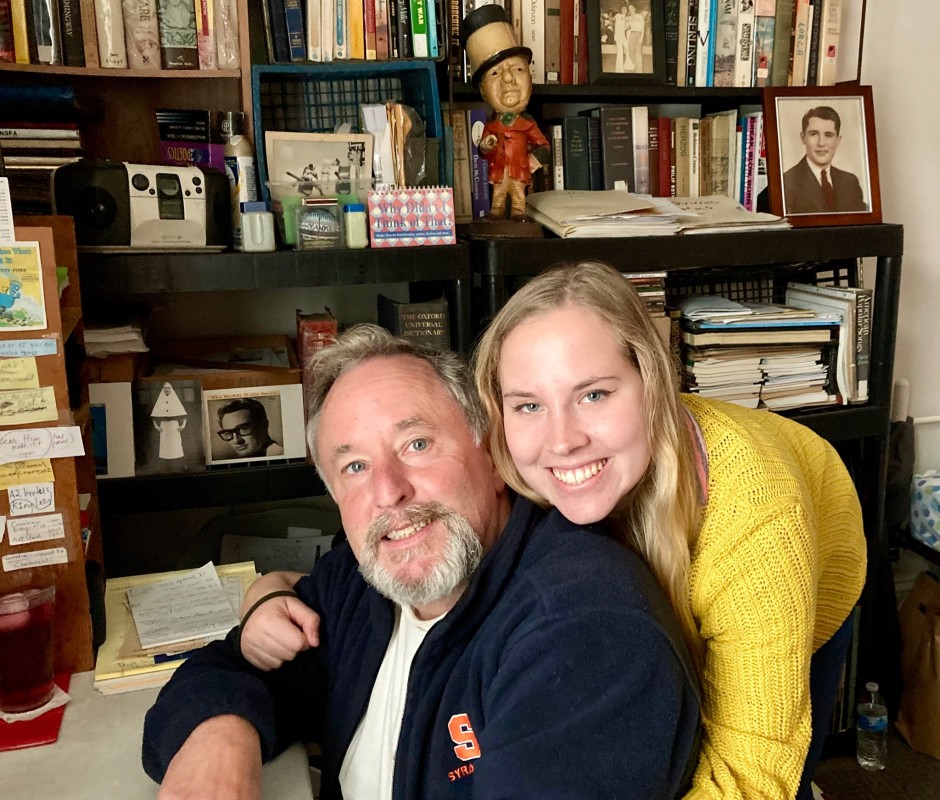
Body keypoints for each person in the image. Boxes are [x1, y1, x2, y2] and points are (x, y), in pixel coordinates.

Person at [143, 325, 701, 800]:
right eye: (355, 468)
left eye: (416, 445)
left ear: (491, 450)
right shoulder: (363, 585)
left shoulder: (583, 630)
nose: (388, 492)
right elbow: (231, 667)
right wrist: (222, 731)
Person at [471, 261, 867, 800]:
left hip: (812, 547)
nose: (561, 441)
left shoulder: (761, 516)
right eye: (529, 405)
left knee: (780, 763)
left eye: (593, 395)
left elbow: (753, 772)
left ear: (651, 382)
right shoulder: (518, 468)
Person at [460, 5, 549, 221]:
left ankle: (519, 217)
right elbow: (483, 151)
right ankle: (496, 216)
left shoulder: (527, 124)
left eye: (517, 69)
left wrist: (532, 161)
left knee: (518, 198)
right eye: (495, 72)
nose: (508, 79)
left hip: (519, 170)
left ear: (530, 76)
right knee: (498, 198)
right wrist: (485, 146)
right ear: (482, 91)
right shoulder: (491, 126)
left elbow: (544, 146)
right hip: (499, 171)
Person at [783, 106, 867, 215]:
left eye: (828, 135)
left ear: (837, 140)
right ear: (803, 137)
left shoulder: (850, 182)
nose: (821, 143)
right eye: (813, 134)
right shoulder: (787, 182)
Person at [216, 397, 284, 459]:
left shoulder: (279, 456)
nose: (236, 441)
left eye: (243, 429)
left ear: (264, 425)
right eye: (228, 433)